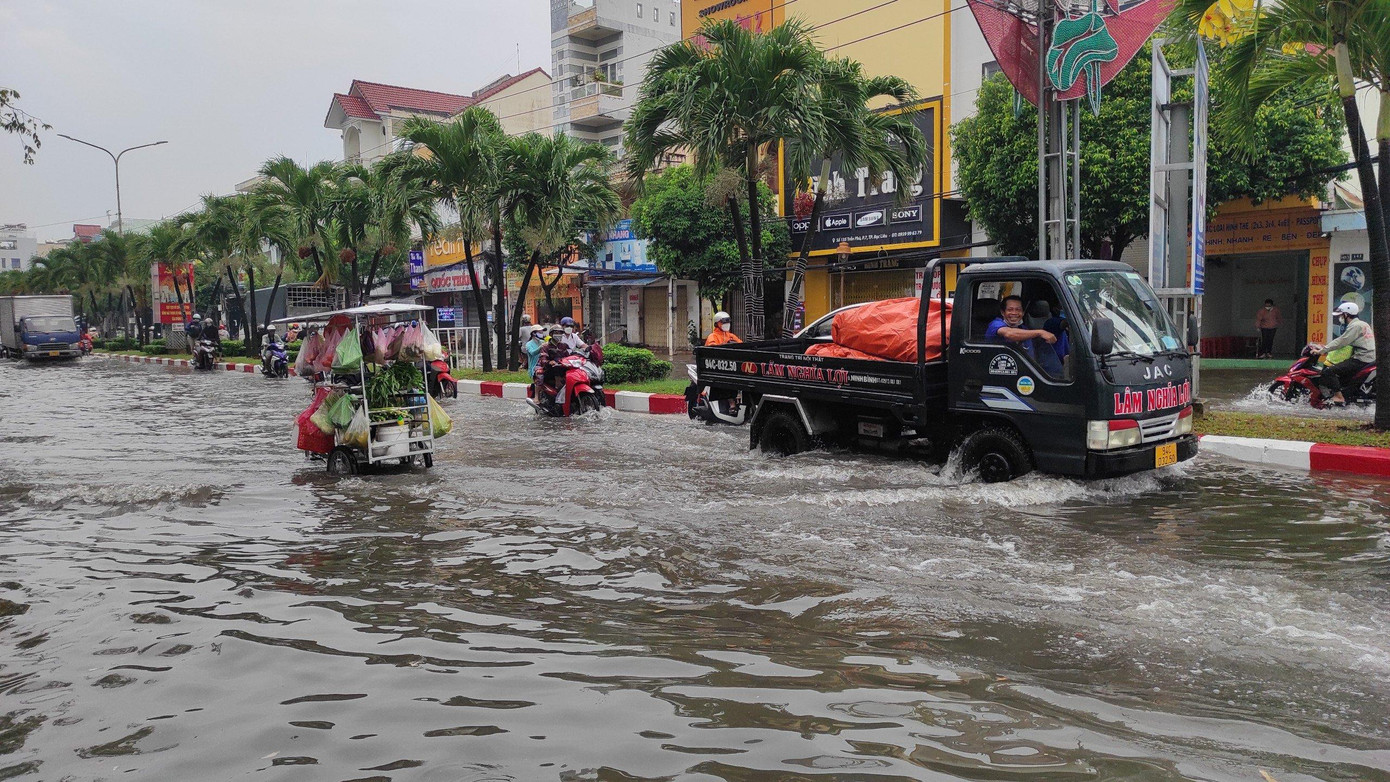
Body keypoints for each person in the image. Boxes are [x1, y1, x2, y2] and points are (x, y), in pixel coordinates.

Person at [1315, 301, 1375, 405]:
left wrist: (1322, 350)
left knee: (1329, 372)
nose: (1340, 318)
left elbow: (1342, 341)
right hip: (1368, 357)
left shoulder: (1355, 326)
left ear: (1346, 314)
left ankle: (1339, 396)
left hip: (1361, 358)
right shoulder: (1363, 324)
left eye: (1341, 315)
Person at [985, 296, 1056, 365]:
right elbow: (1009, 334)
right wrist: (1040, 332)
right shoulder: (995, 324)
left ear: (1023, 313)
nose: (1014, 313)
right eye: (1010, 310)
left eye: (1018, 310)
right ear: (1002, 312)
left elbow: (1031, 359)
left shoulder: (1024, 329)